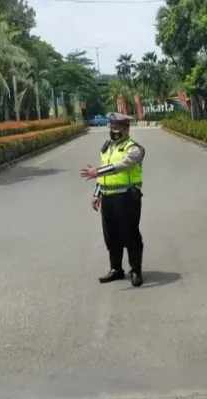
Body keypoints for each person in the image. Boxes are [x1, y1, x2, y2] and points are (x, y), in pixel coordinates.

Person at [80, 112, 145, 287]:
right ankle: (116, 269)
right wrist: (96, 193)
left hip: (127, 197)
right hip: (108, 199)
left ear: (126, 128)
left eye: (117, 127)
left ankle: (136, 271)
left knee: (130, 234)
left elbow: (122, 166)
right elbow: (103, 171)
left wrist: (98, 172)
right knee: (111, 235)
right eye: (112, 126)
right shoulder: (108, 147)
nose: (114, 130)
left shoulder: (134, 148)